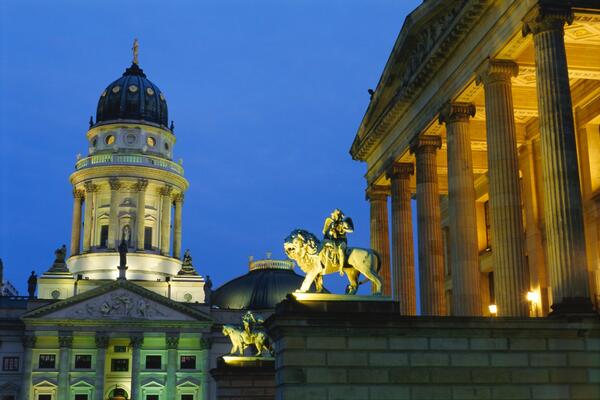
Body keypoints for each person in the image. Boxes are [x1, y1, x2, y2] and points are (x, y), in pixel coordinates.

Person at [322, 209, 354, 275]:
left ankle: (341, 268)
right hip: (334, 241)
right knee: (326, 248)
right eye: (334, 215)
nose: (334, 217)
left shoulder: (344, 223)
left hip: (342, 240)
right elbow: (325, 232)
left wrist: (345, 229)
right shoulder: (331, 223)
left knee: (341, 250)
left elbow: (351, 230)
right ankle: (327, 264)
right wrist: (330, 232)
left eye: (336, 215)